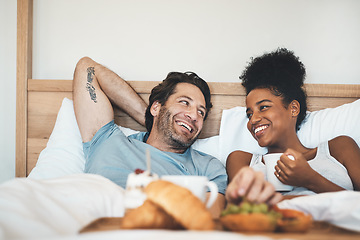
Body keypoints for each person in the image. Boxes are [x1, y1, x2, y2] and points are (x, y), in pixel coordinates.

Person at [73, 57, 281, 217]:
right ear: (156, 106)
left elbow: (210, 220)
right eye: (184, 102)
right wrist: (151, 117)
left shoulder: (208, 167)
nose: (193, 115)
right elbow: (86, 67)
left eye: (201, 112)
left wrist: (166, 116)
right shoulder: (106, 140)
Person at [226, 48, 360, 198]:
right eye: (249, 114)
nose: (253, 120)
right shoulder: (242, 161)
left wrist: (310, 179)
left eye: (263, 107)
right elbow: (241, 212)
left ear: (293, 108)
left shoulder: (339, 148)